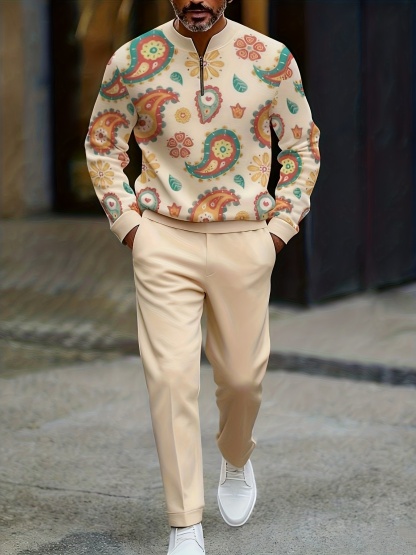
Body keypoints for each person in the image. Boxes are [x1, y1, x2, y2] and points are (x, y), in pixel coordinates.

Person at [85, 1, 320, 553]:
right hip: (162, 239)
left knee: (241, 379)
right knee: (170, 379)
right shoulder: (132, 59)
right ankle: (184, 522)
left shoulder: (270, 58)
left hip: (246, 238)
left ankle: (236, 457)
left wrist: (279, 229)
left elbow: (302, 147)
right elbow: (103, 146)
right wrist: (130, 227)